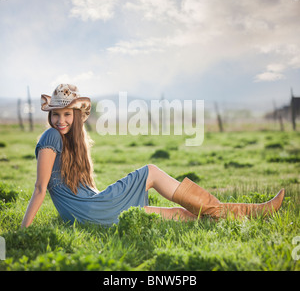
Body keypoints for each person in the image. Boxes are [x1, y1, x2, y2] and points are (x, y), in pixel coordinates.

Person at [21, 84, 285, 228]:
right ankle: (249, 211)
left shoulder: (74, 145)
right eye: (56, 114)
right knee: (151, 171)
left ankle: (251, 212)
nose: (60, 120)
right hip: (92, 210)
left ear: (77, 116)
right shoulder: (51, 137)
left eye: (67, 114)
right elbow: (40, 188)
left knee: (179, 215)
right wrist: (23, 230)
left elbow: (82, 191)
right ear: (50, 116)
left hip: (91, 211)